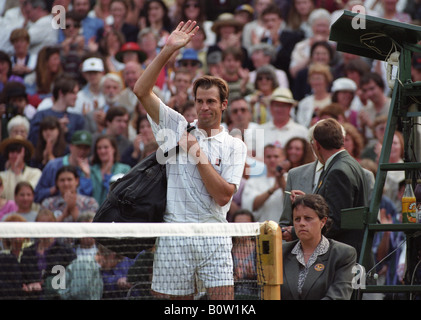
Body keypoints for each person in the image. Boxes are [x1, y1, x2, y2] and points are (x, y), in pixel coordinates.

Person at [133, 20, 247, 300]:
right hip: (174, 236)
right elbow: (141, 91)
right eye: (199, 101)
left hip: (214, 237)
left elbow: (222, 196)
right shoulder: (177, 126)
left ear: (223, 104)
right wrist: (167, 50)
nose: (204, 107)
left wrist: (195, 151)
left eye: (210, 101)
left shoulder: (235, 145)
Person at [291, 118, 369, 257]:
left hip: (342, 257)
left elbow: (335, 220)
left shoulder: (338, 171)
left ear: (316, 145)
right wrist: (308, 202)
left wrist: (294, 231)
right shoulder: (348, 163)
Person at [281, 194, 357, 300]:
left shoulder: (343, 254)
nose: (302, 223)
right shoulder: (281, 252)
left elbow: (338, 297)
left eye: (308, 218)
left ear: (323, 221)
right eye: (297, 219)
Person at [19, 208, 77, 300]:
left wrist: (44, 286)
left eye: (49, 223)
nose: (45, 227)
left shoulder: (65, 251)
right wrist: (27, 286)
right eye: (41, 224)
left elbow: (73, 278)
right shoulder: (27, 252)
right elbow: (22, 278)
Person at [34, 130, 93, 204]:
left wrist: (87, 176)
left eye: (85, 148)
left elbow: (88, 199)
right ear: (71, 147)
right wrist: (53, 189)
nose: (82, 151)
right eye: (79, 147)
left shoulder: (91, 170)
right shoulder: (53, 166)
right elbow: (36, 195)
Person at [28, 76, 85, 147]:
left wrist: (67, 132)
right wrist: (54, 127)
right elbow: (33, 140)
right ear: (61, 93)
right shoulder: (41, 115)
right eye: (73, 93)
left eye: (76, 93)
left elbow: (80, 145)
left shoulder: (77, 119)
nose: (76, 97)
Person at [241, 144, 286, 222]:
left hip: (285, 229)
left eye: (276, 156)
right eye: (268, 157)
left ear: (283, 158)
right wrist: (272, 190)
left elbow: (294, 203)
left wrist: (282, 184)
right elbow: (250, 206)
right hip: (261, 229)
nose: (272, 160)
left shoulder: (291, 177)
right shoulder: (252, 182)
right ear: (264, 159)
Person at [90, 134, 131, 205]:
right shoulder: (91, 170)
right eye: (99, 148)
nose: (102, 151)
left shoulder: (124, 169)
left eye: (106, 147)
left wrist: (108, 173)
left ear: (113, 149)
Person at [0, 136, 41, 201]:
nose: (15, 155)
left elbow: (26, 193)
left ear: (24, 153)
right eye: (12, 152)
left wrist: (17, 171)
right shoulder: (2, 176)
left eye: (18, 152)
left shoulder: (35, 173)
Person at [231, 209, 259, 300]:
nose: (243, 229)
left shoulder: (260, 249)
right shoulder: (226, 250)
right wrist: (233, 278)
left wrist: (254, 276)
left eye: (246, 225)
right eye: (239, 225)